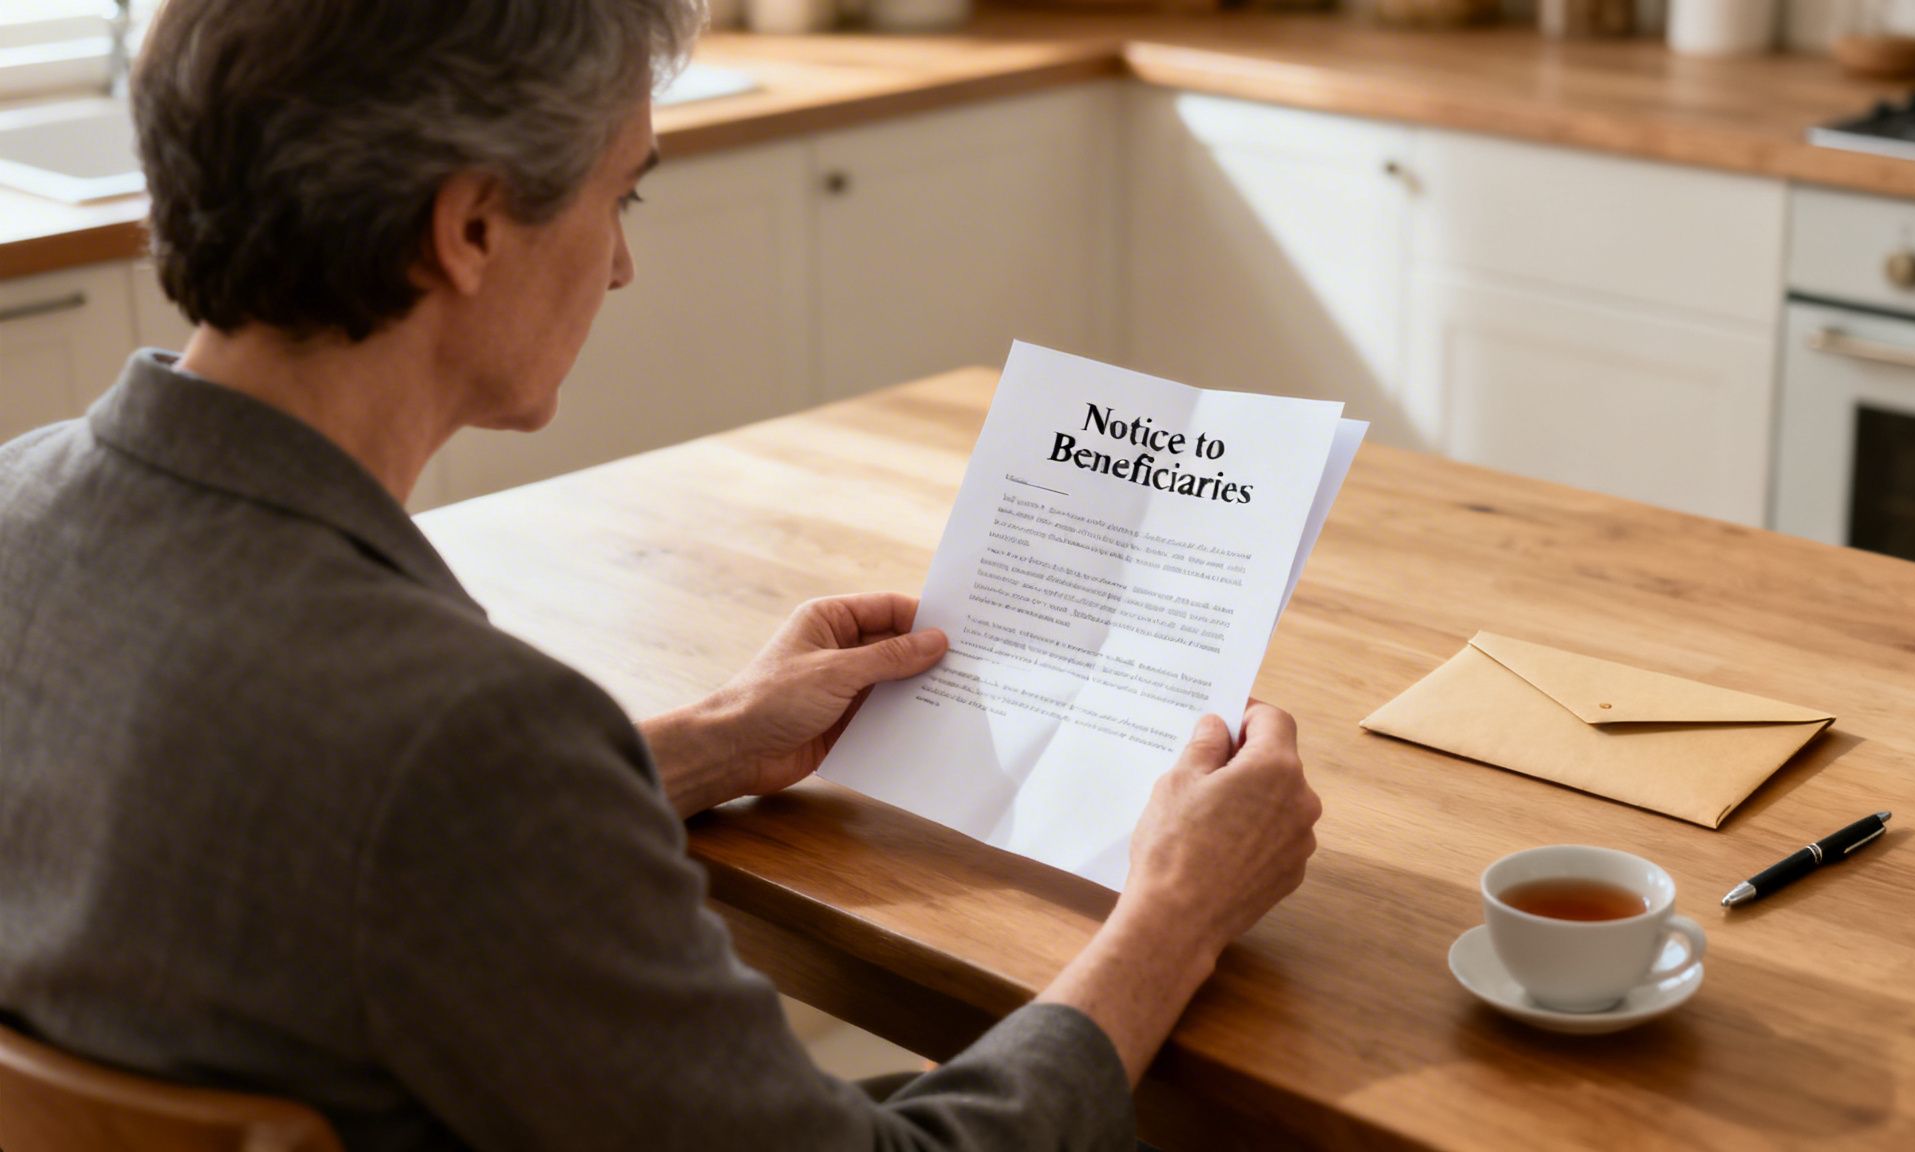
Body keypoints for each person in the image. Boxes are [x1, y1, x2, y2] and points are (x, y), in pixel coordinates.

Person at [0, 1, 1323, 1149]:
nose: (623, 262)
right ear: (466, 228)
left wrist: (707, 744)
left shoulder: (18, 510)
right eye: (617, 192)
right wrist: (1173, 914)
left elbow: (326, 828)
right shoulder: (462, 744)